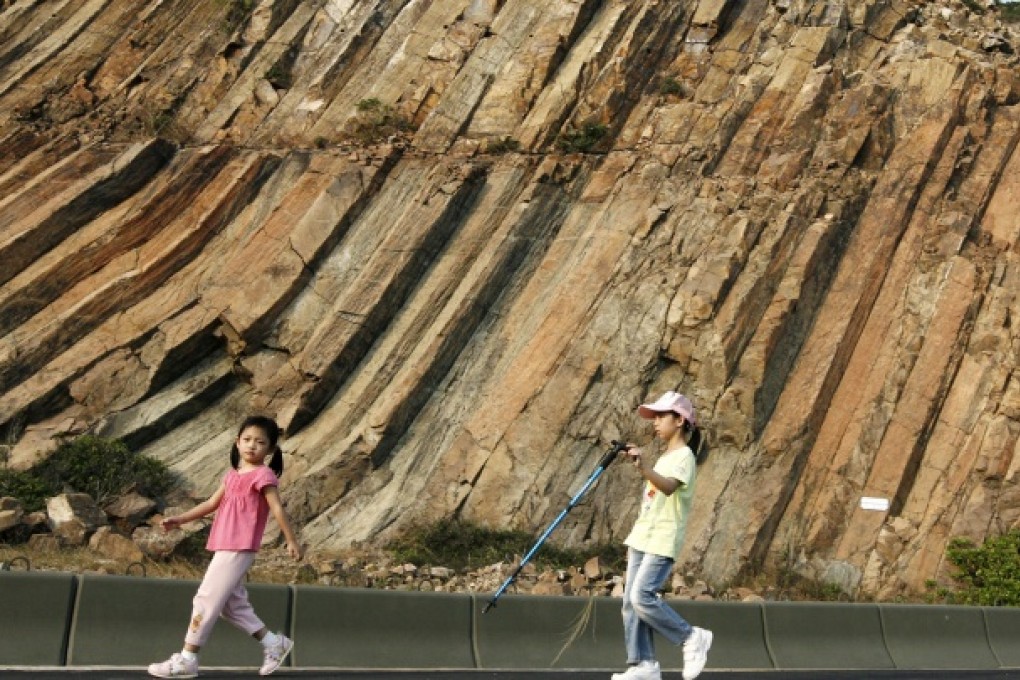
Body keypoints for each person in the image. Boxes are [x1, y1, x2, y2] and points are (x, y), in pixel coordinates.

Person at [147, 415, 304, 679]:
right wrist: (180, 519)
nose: (252, 445)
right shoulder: (231, 476)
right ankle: (274, 643)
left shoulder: (263, 475)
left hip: (240, 547)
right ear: (237, 442)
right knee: (231, 606)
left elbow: (277, 508)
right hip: (224, 544)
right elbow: (211, 504)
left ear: (270, 450)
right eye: (247, 439)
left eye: (260, 442)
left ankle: (187, 659)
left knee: (205, 599)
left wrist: (291, 540)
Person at [613, 391, 713, 680]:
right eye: (653, 417)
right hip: (643, 536)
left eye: (660, 416)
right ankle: (643, 665)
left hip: (663, 538)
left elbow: (668, 487)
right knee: (630, 603)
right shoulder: (666, 456)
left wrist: (643, 467)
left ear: (679, 420)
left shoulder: (685, 457)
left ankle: (691, 637)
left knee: (641, 596)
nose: (655, 422)